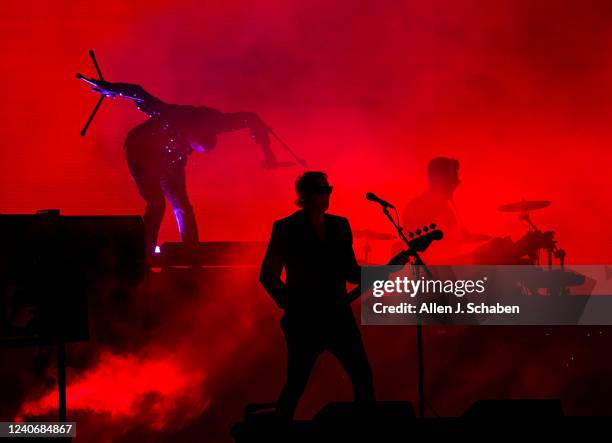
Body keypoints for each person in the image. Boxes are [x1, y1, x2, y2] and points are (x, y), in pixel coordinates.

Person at [85, 78, 282, 253]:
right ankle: (144, 251)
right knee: (156, 203)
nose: (192, 150)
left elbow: (252, 118)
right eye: (191, 145)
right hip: (142, 152)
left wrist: (268, 153)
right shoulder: (173, 116)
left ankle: (191, 251)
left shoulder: (217, 122)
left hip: (172, 158)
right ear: (187, 134)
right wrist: (111, 88)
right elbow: (138, 92)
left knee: (182, 205)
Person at [259, 171, 375, 420]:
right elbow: (267, 275)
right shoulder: (286, 228)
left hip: (337, 317)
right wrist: (291, 303)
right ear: (305, 196)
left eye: (328, 190)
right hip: (303, 321)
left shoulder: (339, 226)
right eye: (321, 191)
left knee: (362, 375)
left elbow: (351, 272)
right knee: (297, 383)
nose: (326, 195)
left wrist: (385, 271)